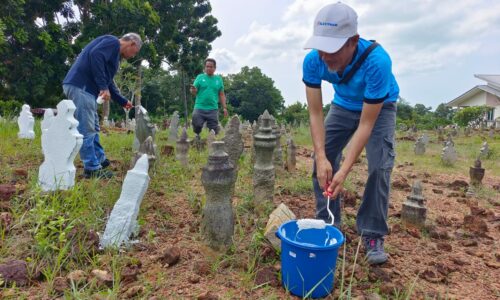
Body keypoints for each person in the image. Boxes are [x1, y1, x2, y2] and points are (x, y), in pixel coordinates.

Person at [302, 3, 399, 265]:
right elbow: (314, 114)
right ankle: (328, 222)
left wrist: (343, 170)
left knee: (379, 166)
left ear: (353, 41)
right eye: (321, 48)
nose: (325, 57)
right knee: (321, 160)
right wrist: (322, 157)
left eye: (332, 50)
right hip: (343, 105)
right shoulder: (314, 61)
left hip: (380, 108)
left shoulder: (378, 63)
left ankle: (372, 232)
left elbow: (366, 125)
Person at [62, 33, 141, 179]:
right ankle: (91, 168)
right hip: (81, 86)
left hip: (85, 89)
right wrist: (103, 87)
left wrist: (123, 101)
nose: (132, 56)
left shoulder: (115, 56)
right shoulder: (112, 42)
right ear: (131, 44)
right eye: (134, 53)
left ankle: (99, 159)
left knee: (94, 127)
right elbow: (95, 55)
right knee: (86, 127)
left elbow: (108, 81)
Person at [190, 58, 228, 138]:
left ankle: (213, 144)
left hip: (213, 109)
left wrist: (224, 107)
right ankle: (197, 136)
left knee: (214, 130)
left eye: (211, 67)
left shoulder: (218, 79)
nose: (209, 68)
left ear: (215, 68)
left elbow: (221, 94)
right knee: (196, 124)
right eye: (207, 66)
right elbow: (194, 91)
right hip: (199, 107)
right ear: (204, 67)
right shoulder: (200, 77)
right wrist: (193, 90)